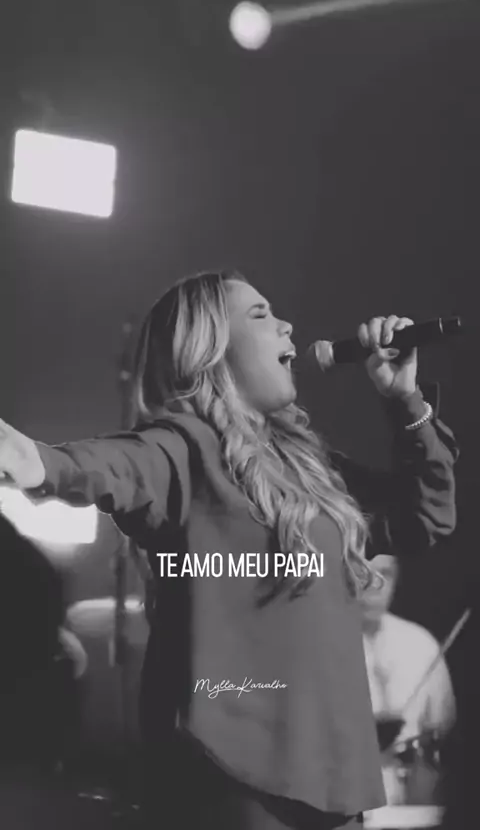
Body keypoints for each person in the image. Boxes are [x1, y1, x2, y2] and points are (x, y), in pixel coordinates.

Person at [0, 270, 457, 830]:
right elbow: (111, 464)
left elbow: (424, 518)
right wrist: (39, 463)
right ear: (210, 350)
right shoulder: (182, 448)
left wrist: (405, 399)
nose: (288, 326)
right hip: (236, 776)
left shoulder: (313, 467)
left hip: (334, 779)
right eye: (261, 315)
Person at [360, 554, 456, 806]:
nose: (373, 585)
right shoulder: (312, 647)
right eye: (360, 571)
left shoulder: (420, 644)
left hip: (413, 806)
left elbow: (443, 732)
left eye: (385, 573)